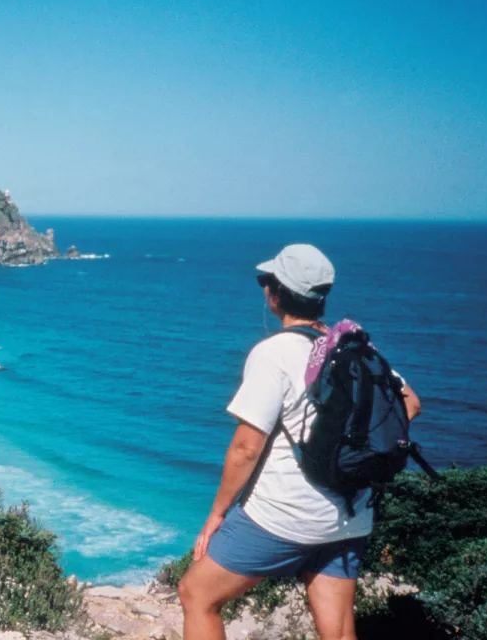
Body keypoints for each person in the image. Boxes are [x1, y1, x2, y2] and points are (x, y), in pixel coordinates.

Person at [179, 244, 421, 640]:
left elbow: (246, 448)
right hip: (349, 514)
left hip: (284, 514)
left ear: (274, 295)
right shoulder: (354, 346)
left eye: (266, 282)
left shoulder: (274, 352)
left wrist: (217, 515)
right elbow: (411, 403)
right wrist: (345, 446)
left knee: (197, 594)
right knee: (339, 630)